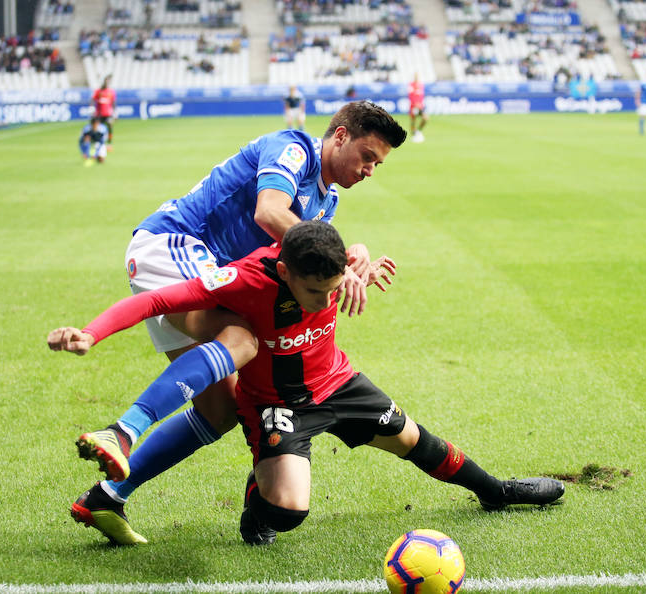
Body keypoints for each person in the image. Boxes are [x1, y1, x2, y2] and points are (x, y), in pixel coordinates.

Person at [49, 222, 566, 546]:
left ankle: (495, 491)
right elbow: (157, 303)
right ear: (284, 270)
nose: (325, 303)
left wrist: (360, 261)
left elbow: (350, 247)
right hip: (275, 404)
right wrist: (91, 333)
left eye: (334, 288)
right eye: (315, 292)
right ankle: (258, 500)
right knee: (288, 513)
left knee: (415, 440)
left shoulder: (328, 257)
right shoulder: (246, 279)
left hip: (338, 381)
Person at [69, 101, 407, 507]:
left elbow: (308, 261)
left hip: (200, 268)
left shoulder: (326, 201)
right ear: (340, 136)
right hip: (176, 242)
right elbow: (269, 212)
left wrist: (355, 259)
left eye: (378, 164)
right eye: (367, 156)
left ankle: (108, 496)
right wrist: (339, 263)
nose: (369, 170)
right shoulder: (293, 149)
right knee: (241, 340)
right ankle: (123, 431)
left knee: (220, 410)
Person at [92, 75, 116, 145]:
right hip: (99, 113)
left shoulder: (111, 92)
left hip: (108, 113)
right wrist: (92, 108)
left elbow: (113, 102)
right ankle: (96, 140)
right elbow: (93, 99)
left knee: (109, 125)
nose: (107, 83)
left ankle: (109, 141)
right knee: (98, 127)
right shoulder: (98, 91)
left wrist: (115, 112)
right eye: (106, 81)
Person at [408, 73, 427, 143]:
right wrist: (415, 104)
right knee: (413, 121)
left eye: (417, 76)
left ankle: (418, 131)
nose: (416, 77)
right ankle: (414, 134)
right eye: (415, 76)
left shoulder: (421, 85)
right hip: (413, 106)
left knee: (425, 118)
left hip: (420, 106)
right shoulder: (411, 85)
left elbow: (421, 96)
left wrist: (421, 104)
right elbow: (411, 96)